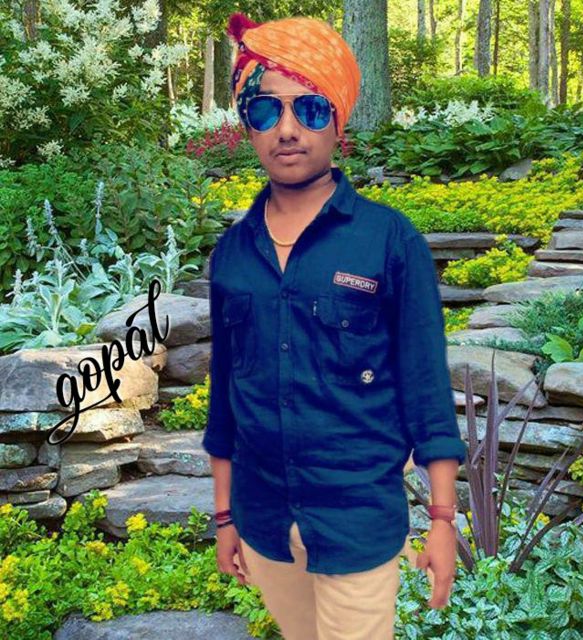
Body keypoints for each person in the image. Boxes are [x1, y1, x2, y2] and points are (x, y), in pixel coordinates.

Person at [201, 11, 468, 640]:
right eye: (266, 110)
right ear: (248, 124)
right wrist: (225, 516)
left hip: (356, 521)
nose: (288, 129)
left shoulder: (389, 239)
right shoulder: (233, 254)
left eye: (311, 109)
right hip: (263, 521)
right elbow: (226, 400)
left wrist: (442, 520)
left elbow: (427, 391)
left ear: (337, 121)